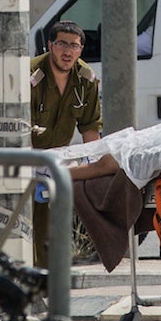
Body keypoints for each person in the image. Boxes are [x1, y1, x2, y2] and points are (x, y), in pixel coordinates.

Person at [30, 20, 102, 267]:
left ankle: (48, 276)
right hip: (27, 156)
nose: (67, 51)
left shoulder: (86, 80)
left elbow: (90, 130)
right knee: (30, 222)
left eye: (74, 45)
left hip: (58, 159)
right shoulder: (31, 76)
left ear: (81, 50)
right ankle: (36, 274)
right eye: (61, 44)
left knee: (56, 221)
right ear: (50, 45)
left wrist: (96, 168)